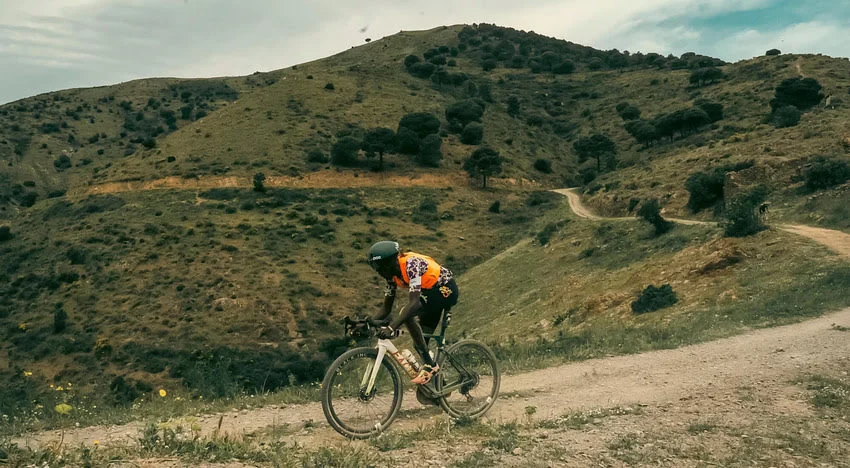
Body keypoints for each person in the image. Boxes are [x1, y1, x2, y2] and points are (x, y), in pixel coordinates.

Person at [366, 241, 458, 385]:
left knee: (407, 312)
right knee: (420, 345)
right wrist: (366, 322)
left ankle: (431, 366)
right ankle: (438, 386)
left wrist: (391, 328)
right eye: (374, 267)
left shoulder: (411, 265)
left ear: (390, 262)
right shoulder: (391, 275)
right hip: (429, 293)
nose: (377, 271)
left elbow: (414, 303)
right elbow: (386, 309)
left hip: (445, 289)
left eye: (379, 266)